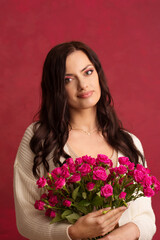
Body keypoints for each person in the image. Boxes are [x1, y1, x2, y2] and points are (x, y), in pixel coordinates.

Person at [13, 41, 156, 240]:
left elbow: (146, 218)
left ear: (98, 74)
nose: (83, 85)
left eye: (87, 72)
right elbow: (26, 219)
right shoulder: (40, 138)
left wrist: (116, 236)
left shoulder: (129, 142)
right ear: (56, 87)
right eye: (68, 79)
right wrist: (73, 232)